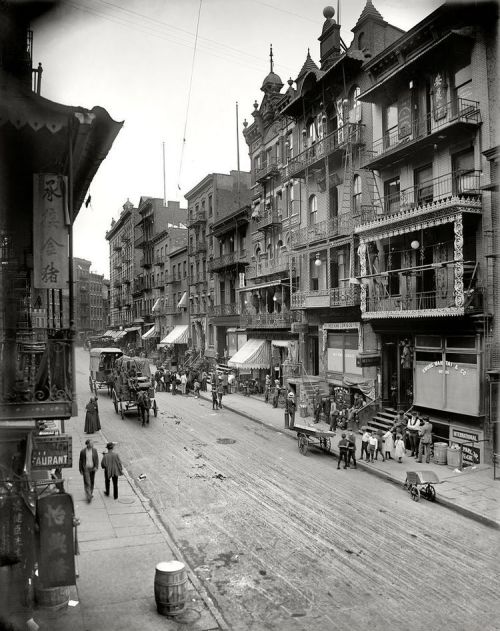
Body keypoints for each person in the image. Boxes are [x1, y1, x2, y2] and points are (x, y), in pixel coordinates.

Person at [79, 438, 98, 502]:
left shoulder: (95, 450)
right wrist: (80, 469)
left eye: (93, 443)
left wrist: (96, 466)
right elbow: (80, 461)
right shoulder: (83, 451)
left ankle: (90, 493)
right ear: (87, 444)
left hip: (92, 468)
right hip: (86, 469)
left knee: (92, 482)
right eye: (91, 443)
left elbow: (96, 459)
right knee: (87, 482)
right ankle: (88, 496)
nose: (93, 444)